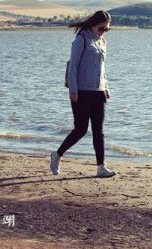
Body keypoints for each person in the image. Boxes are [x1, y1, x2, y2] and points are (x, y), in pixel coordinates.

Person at [50, 10, 116, 178]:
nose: (103, 32)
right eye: (101, 28)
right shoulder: (81, 40)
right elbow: (73, 67)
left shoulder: (102, 42)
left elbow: (101, 67)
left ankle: (101, 167)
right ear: (93, 25)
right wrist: (73, 90)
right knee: (80, 130)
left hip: (98, 91)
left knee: (98, 131)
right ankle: (57, 155)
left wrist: (106, 87)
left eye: (106, 29)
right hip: (81, 91)